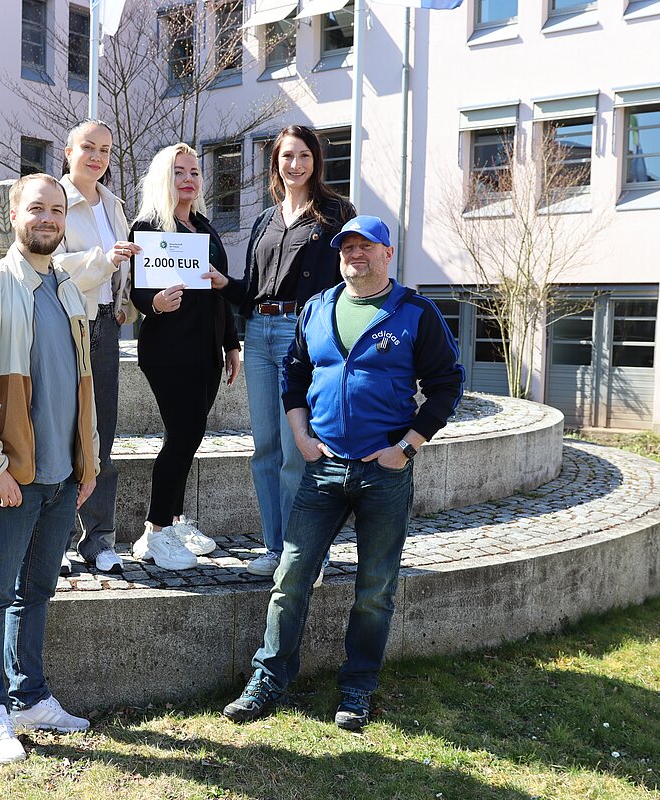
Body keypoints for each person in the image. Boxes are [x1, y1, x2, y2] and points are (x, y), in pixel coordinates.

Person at [223, 215, 464, 730]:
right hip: (324, 469)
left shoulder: (415, 312)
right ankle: (268, 679)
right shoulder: (318, 307)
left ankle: (356, 690)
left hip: (385, 472)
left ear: (387, 253)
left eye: (366, 247)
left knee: (375, 588)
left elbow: (447, 384)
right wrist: (301, 435)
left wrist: (407, 446)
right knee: (290, 577)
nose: (356, 255)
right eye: (347, 247)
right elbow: (293, 370)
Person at [0, 173, 100, 765]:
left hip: (61, 480)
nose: (48, 219)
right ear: (14, 215)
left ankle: (29, 697)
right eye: (37, 209)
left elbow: (83, 391)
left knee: (38, 589)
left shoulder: (69, 291)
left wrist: (89, 464)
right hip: (12, 478)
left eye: (57, 211)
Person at [235, 125, 357, 577]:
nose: (295, 164)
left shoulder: (335, 211)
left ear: (315, 160)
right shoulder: (265, 220)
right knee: (264, 447)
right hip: (259, 331)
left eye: (303, 155)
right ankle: (275, 547)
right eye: (287, 156)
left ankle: (308, 551)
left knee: (297, 448)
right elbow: (249, 287)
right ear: (276, 163)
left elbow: (350, 274)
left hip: (301, 332)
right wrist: (217, 281)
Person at [128, 143, 244, 570]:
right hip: (167, 352)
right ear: (164, 178)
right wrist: (155, 302)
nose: (190, 179)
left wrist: (231, 343)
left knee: (189, 437)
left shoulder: (207, 229)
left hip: (207, 351)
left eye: (195, 172)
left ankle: (173, 521)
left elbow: (220, 292)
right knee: (183, 436)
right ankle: (154, 533)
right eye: (180, 172)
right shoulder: (148, 227)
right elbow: (135, 292)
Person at [52, 119, 140, 576]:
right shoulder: (56, 202)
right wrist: (105, 261)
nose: (97, 157)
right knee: (67, 434)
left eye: (105, 150)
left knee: (102, 435)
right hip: (70, 326)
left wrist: (126, 307)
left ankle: (99, 539)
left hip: (107, 326)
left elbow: (122, 269)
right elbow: (54, 265)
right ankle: (59, 539)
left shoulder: (113, 204)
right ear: (68, 151)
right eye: (88, 147)